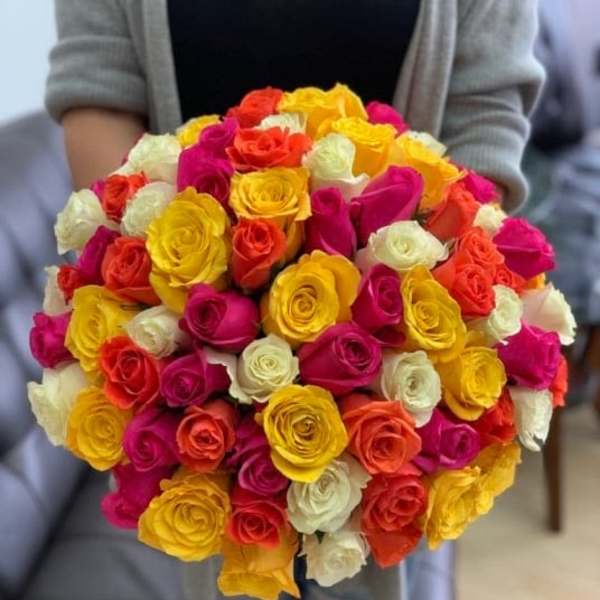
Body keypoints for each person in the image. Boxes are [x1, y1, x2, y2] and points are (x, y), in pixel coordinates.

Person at [45, 1, 545, 599]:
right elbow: (98, 93)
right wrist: (166, 294)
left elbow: (483, 117)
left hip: (402, 335)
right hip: (186, 331)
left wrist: (419, 312)